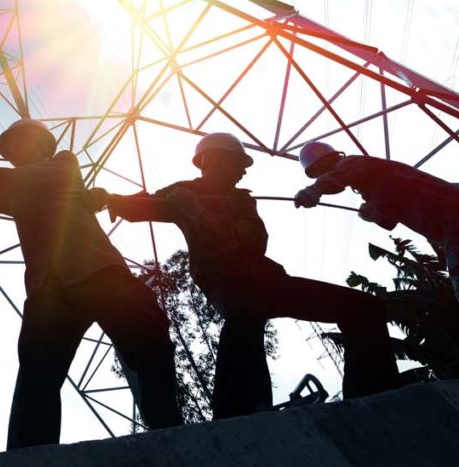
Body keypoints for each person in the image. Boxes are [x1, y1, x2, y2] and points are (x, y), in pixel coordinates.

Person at [0, 119, 182, 448]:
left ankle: (172, 432)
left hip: (99, 273)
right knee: (37, 376)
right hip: (52, 290)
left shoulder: (64, 165)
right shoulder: (17, 187)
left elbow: (9, 183)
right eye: (11, 151)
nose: (14, 154)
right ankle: (28, 458)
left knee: (149, 337)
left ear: (43, 145)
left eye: (18, 146)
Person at [96, 132, 400, 418]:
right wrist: (108, 198)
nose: (243, 171)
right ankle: (238, 411)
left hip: (265, 279)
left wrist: (198, 213)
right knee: (244, 315)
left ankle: (374, 397)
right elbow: (140, 207)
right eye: (237, 163)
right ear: (209, 161)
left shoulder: (240, 201)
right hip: (227, 281)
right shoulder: (181, 193)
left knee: (364, 308)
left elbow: (254, 243)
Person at [294, 141, 459, 303]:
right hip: (447, 223)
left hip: (451, 214)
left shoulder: (352, 162)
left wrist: (314, 190)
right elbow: (392, 217)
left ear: (324, 163)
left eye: (319, 173)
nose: (321, 177)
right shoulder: (373, 186)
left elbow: (340, 175)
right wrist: (376, 214)